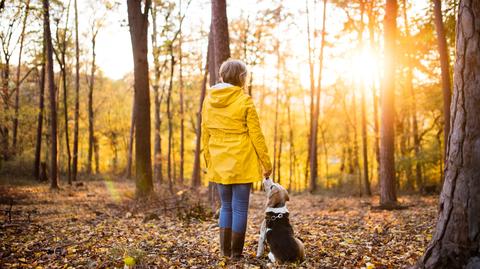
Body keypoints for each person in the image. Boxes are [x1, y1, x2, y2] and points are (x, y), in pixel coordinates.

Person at [201, 59, 272, 259]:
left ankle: (224, 252)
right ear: (242, 78)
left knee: (226, 206)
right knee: (240, 208)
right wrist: (266, 163)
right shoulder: (245, 100)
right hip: (242, 160)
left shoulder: (209, 100)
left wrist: (209, 160)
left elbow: (205, 134)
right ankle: (235, 254)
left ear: (223, 76)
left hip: (219, 160)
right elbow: (256, 135)